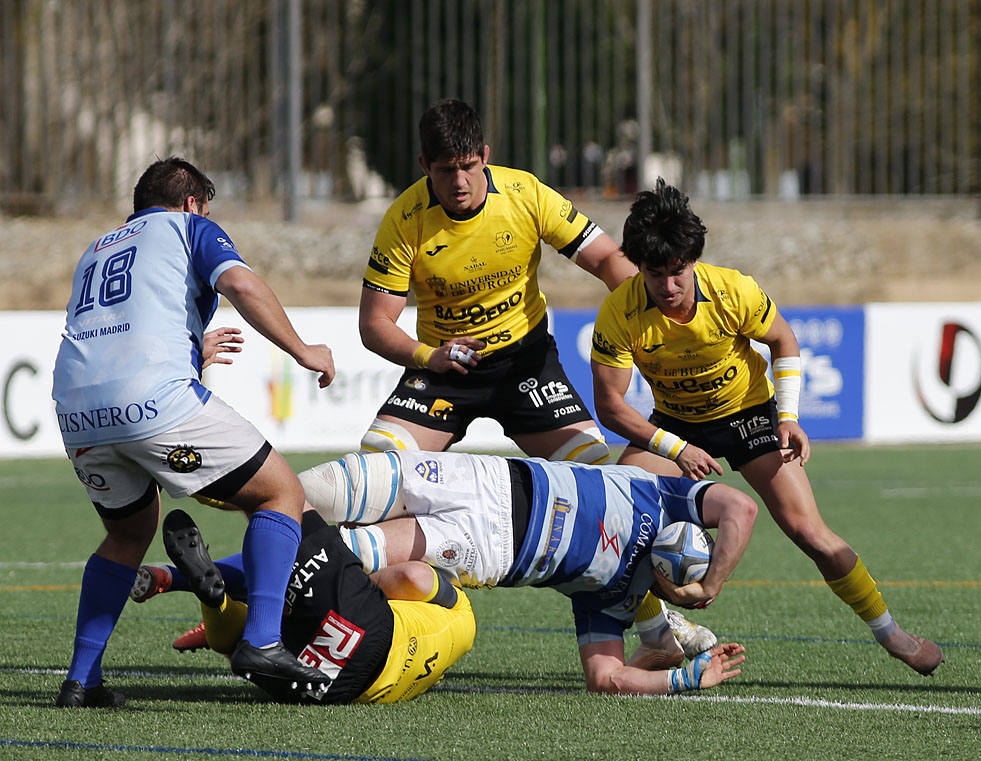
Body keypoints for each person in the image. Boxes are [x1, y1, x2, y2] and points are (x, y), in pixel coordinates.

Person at [588, 179, 944, 676]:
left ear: (693, 259)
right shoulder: (619, 310)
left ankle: (894, 635)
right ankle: (660, 637)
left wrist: (789, 415)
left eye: (678, 272)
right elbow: (609, 405)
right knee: (615, 516)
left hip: (748, 414)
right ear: (638, 267)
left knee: (809, 531)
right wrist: (677, 446)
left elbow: (783, 340)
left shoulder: (732, 289)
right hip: (674, 423)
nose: (668, 287)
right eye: (654, 274)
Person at [50, 157, 337, 708]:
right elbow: (240, 284)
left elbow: (116, 326)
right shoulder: (190, 227)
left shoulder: (98, 248)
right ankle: (263, 640)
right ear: (191, 203)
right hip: (152, 403)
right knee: (281, 493)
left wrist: (188, 349)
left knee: (129, 535)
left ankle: (80, 680)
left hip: (77, 411)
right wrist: (303, 350)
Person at [298, 449, 756, 696]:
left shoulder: (616, 598)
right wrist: (712, 583)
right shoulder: (666, 495)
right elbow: (741, 506)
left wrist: (684, 679)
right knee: (308, 490)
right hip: (486, 476)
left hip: (489, 546)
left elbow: (605, 679)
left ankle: (230, 593)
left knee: (332, 553)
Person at [358, 98, 635, 462]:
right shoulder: (404, 219)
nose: (460, 182)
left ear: (485, 156)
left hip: (524, 362)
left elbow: (606, 259)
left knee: (588, 463)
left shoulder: (526, 193)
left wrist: (650, 309)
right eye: (445, 170)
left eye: (469, 166)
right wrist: (429, 356)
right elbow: (375, 323)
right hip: (444, 366)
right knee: (380, 461)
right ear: (424, 165)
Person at [155, 508, 475, 704]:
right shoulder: (447, 649)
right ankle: (218, 608)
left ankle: (204, 453)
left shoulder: (461, 608)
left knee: (280, 496)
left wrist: (360, 581)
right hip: (327, 691)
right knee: (250, 647)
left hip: (367, 633)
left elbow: (414, 576)